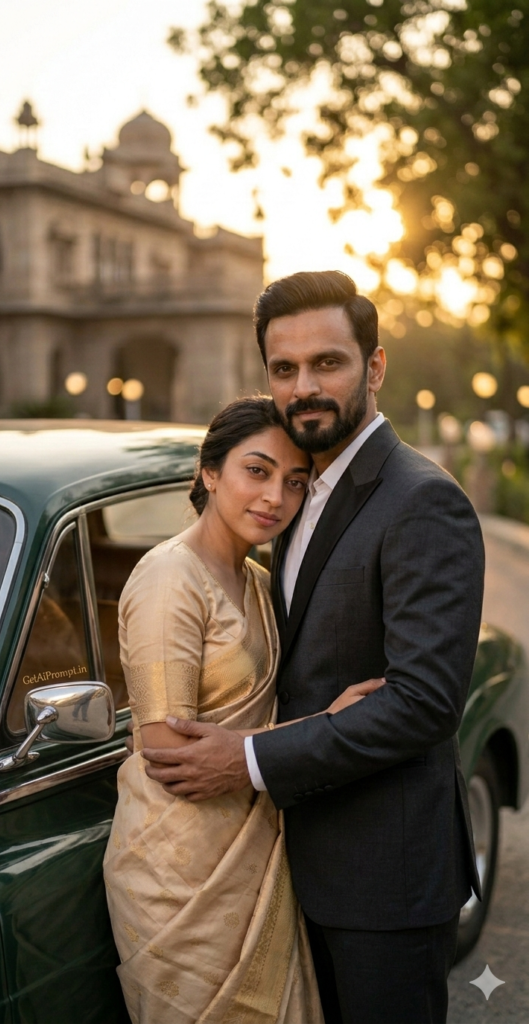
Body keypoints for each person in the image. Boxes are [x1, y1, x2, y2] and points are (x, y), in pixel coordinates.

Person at [141, 271, 485, 1024]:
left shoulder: (422, 500)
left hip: (381, 880)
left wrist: (250, 757)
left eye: (327, 362)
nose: (304, 387)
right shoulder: (293, 497)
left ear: (375, 366)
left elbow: (424, 704)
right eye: (283, 369)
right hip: (285, 869)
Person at [104, 395, 384, 1024]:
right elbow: (167, 753)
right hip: (178, 875)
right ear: (210, 472)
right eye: (255, 471)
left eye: (294, 481)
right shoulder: (168, 579)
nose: (274, 498)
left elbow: (252, 726)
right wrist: (325, 728)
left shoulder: (260, 580)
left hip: (255, 852)